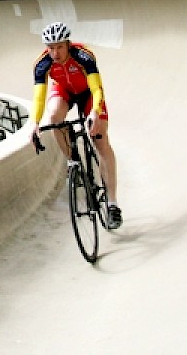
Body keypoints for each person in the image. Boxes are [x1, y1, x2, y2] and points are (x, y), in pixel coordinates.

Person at [28, 21, 123, 230]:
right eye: (51, 48)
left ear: (68, 44)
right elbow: (39, 98)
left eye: (59, 47)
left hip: (88, 94)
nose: (55, 53)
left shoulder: (83, 56)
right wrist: (35, 124)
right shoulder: (42, 64)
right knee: (53, 118)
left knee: (101, 142)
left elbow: (97, 88)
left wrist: (96, 112)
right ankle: (73, 161)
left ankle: (113, 204)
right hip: (64, 92)